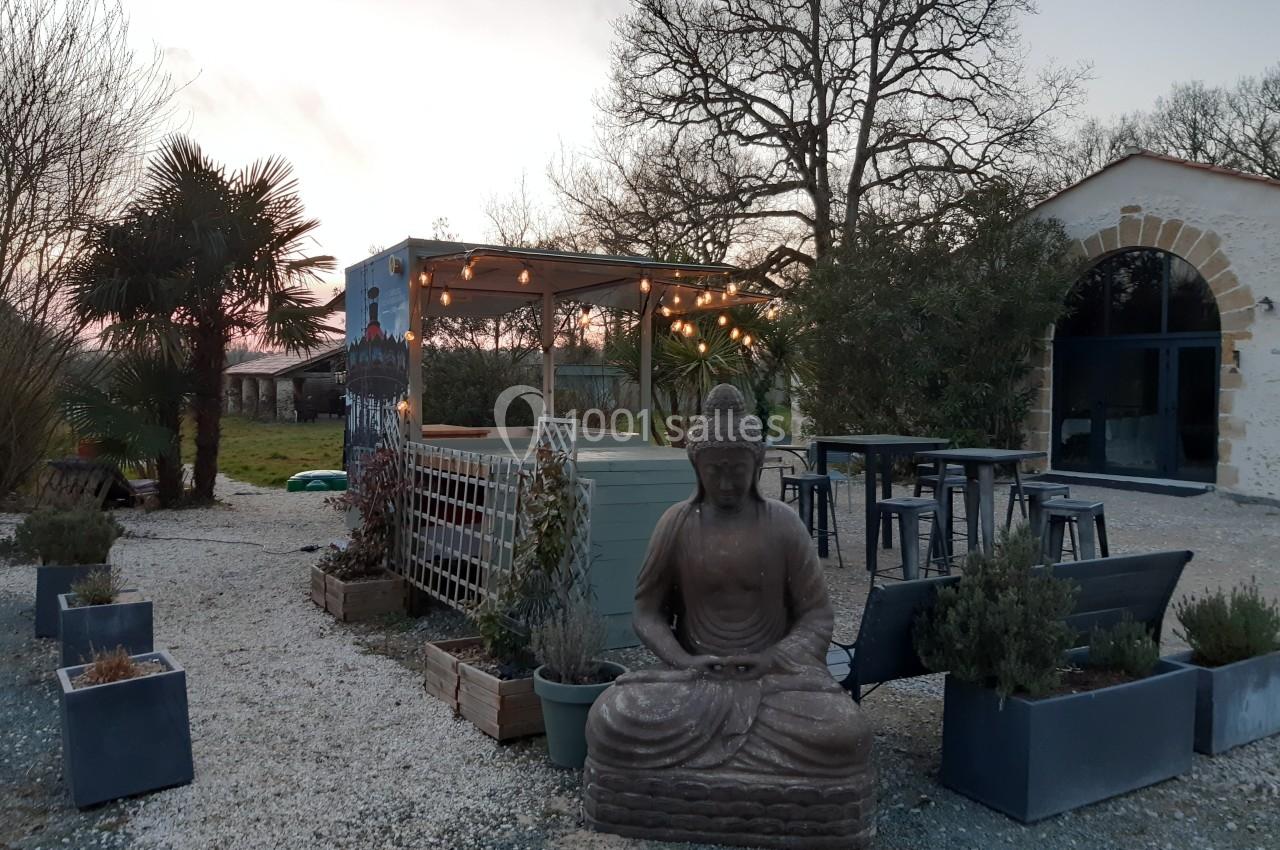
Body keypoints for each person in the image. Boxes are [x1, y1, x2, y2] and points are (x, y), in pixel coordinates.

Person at [583, 384, 874, 849]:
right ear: (696, 467)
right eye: (715, 471)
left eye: (737, 470)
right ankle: (766, 790)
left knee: (846, 732)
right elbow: (646, 612)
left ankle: (697, 783)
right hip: (697, 680)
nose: (725, 483)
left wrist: (773, 659)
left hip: (774, 683)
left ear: (757, 466)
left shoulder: (783, 523)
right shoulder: (677, 523)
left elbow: (817, 616)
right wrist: (682, 661)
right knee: (612, 717)